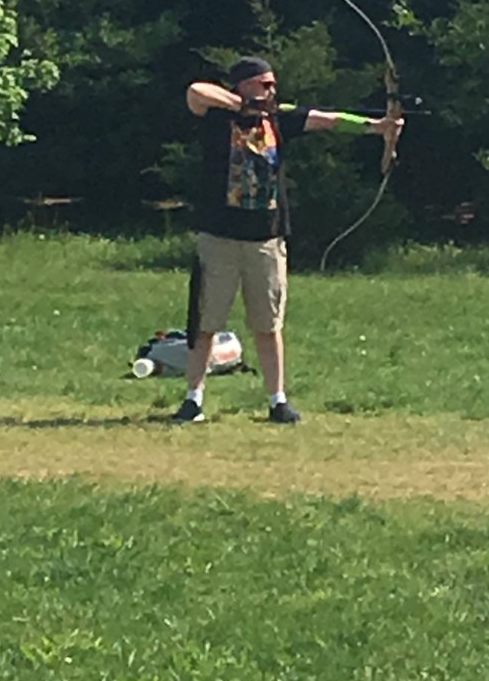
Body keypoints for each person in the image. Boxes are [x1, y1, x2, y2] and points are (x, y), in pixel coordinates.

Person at [172, 55, 403, 424]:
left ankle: (277, 400)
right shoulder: (216, 117)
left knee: (268, 324)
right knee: (205, 323)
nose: (272, 90)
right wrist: (242, 106)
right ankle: (192, 400)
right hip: (219, 238)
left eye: (273, 84)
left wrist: (377, 127)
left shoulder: (279, 117)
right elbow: (195, 92)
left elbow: (328, 120)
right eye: (264, 84)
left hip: (266, 239)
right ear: (244, 84)